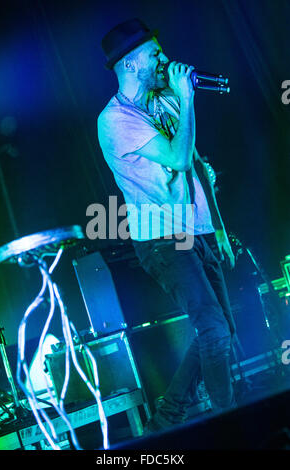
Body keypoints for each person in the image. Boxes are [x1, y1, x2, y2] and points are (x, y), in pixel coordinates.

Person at [98, 18, 237, 431]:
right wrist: (187, 98)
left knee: (219, 330)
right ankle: (229, 423)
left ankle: (166, 419)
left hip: (198, 229)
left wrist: (221, 231)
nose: (164, 59)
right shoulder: (114, 120)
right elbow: (176, 158)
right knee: (213, 328)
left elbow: (193, 161)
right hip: (163, 239)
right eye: (155, 53)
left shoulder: (164, 101)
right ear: (131, 63)